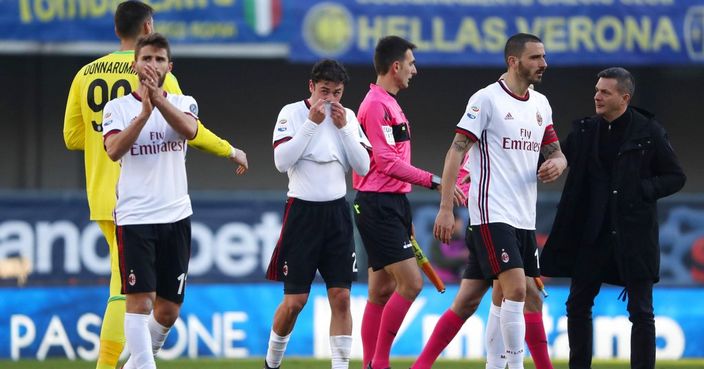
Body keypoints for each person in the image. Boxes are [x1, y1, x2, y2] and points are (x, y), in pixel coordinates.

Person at [63, 2, 247, 368]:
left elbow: (72, 136)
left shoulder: (85, 73)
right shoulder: (157, 75)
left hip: (102, 192)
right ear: (147, 26)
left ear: (116, 29)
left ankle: (132, 363)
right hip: (133, 200)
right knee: (127, 291)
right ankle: (112, 365)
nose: (154, 65)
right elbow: (189, 131)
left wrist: (109, 139)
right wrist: (229, 149)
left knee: (147, 296)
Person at [423, 33, 567, 369]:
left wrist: (559, 162)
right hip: (490, 213)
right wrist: (446, 208)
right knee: (518, 289)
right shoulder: (486, 100)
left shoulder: (541, 104)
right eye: (535, 58)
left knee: (489, 296)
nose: (544, 64)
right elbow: (456, 149)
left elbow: (555, 150)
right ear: (513, 61)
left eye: (544, 57)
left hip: (523, 217)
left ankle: (485, 364)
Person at [540, 67, 686, 369]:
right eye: (596, 90)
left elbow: (676, 177)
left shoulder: (649, 132)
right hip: (591, 237)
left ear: (624, 97)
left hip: (633, 237)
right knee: (577, 305)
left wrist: (642, 189)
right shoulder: (583, 131)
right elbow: (559, 157)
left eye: (605, 91)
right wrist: (554, 162)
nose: (597, 96)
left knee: (641, 312)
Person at [352, 35, 464, 369]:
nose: (415, 70)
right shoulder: (375, 106)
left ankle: (371, 363)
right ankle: (380, 363)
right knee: (412, 283)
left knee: (381, 291)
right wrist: (435, 180)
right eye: (411, 64)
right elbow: (386, 162)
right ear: (396, 66)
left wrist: (404, 209)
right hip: (377, 204)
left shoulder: (389, 102)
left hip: (392, 203)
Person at [101, 32, 204, 369]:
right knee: (140, 302)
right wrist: (143, 113)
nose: (153, 64)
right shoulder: (116, 108)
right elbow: (114, 150)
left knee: (168, 309)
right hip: (135, 218)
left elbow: (190, 131)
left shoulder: (185, 101)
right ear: (135, 65)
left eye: (160, 59)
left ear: (169, 67)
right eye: (147, 58)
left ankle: (133, 365)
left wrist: (158, 101)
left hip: (176, 216)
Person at [264, 59, 371, 369]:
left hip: (337, 215)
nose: (331, 100)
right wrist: (311, 124)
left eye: (337, 93)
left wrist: (344, 130)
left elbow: (363, 166)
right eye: (325, 91)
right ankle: (272, 362)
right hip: (302, 214)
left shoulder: (347, 118)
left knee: (341, 297)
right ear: (311, 87)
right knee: (295, 301)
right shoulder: (292, 113)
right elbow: (281, 161)